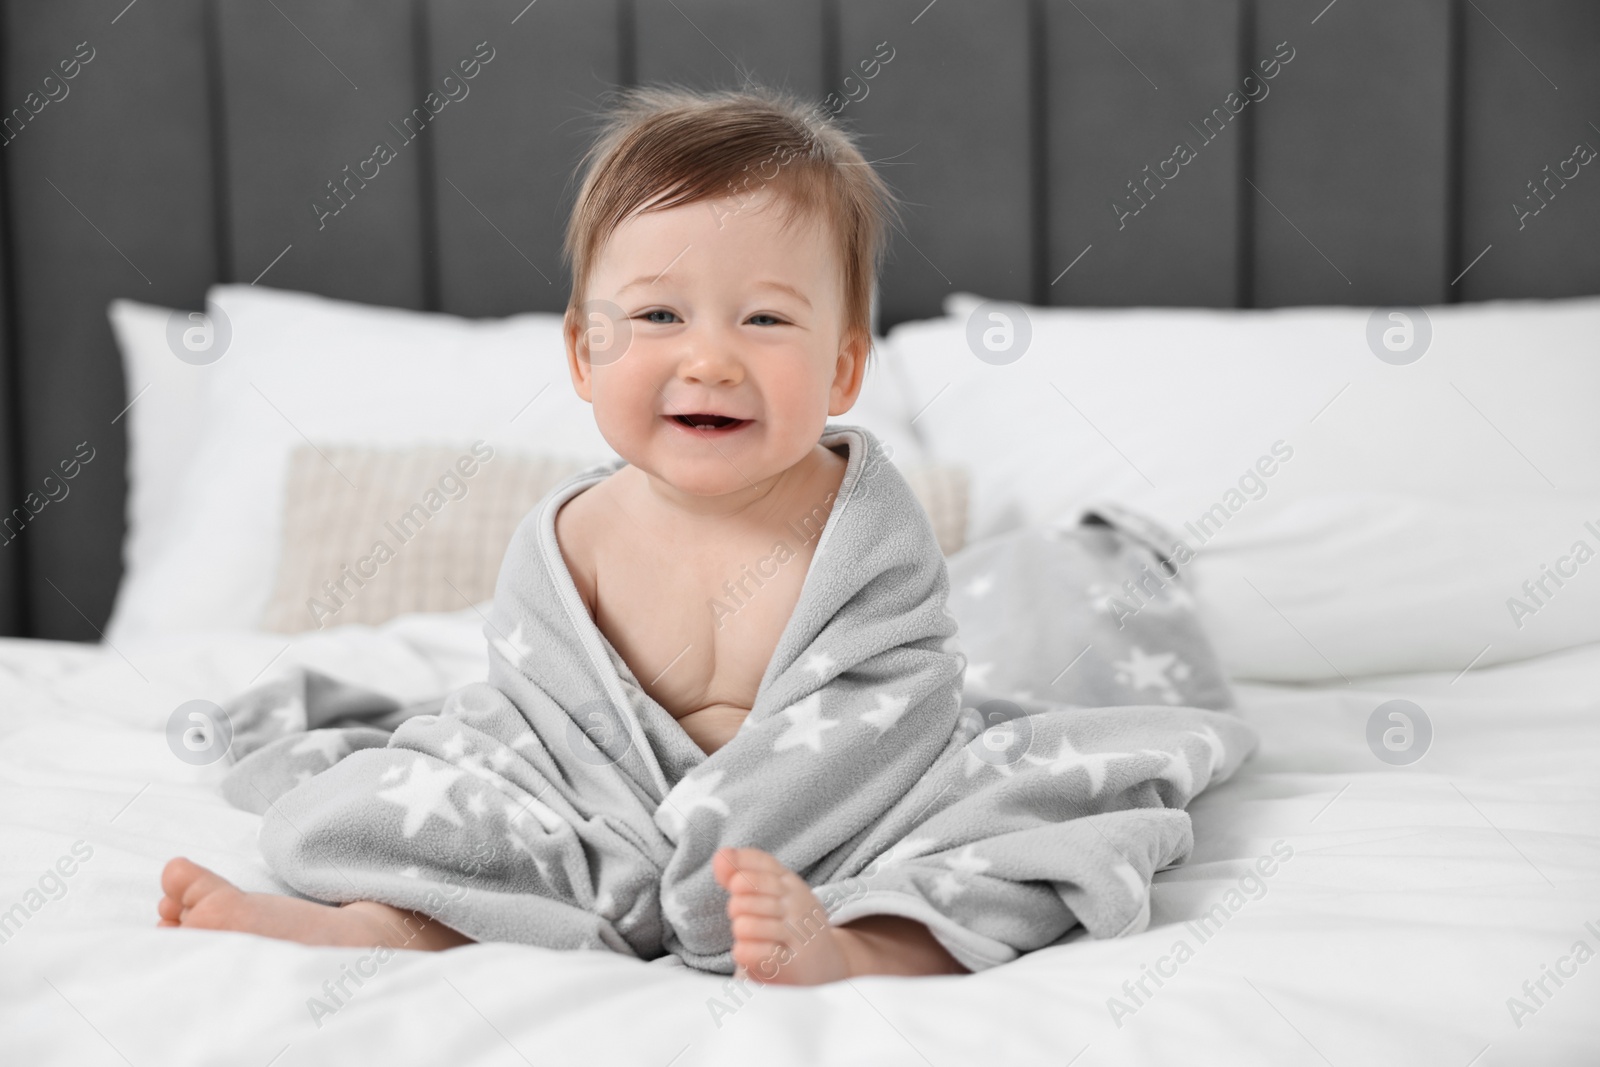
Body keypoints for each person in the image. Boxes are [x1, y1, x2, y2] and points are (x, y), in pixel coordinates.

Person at [159, 84, 969, 983]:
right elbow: (531, 725)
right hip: (588, 826)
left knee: (1011, 820)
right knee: (426, 800)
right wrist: (569, 816)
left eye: (766, 319)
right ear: (585, 354)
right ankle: (376, 926)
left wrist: (750, 833)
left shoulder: (862, 530)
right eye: (660, 315)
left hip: (831, 826)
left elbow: (896, 705)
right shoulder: (571, 537)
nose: (709, 359)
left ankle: (854, 946)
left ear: (844, 368)